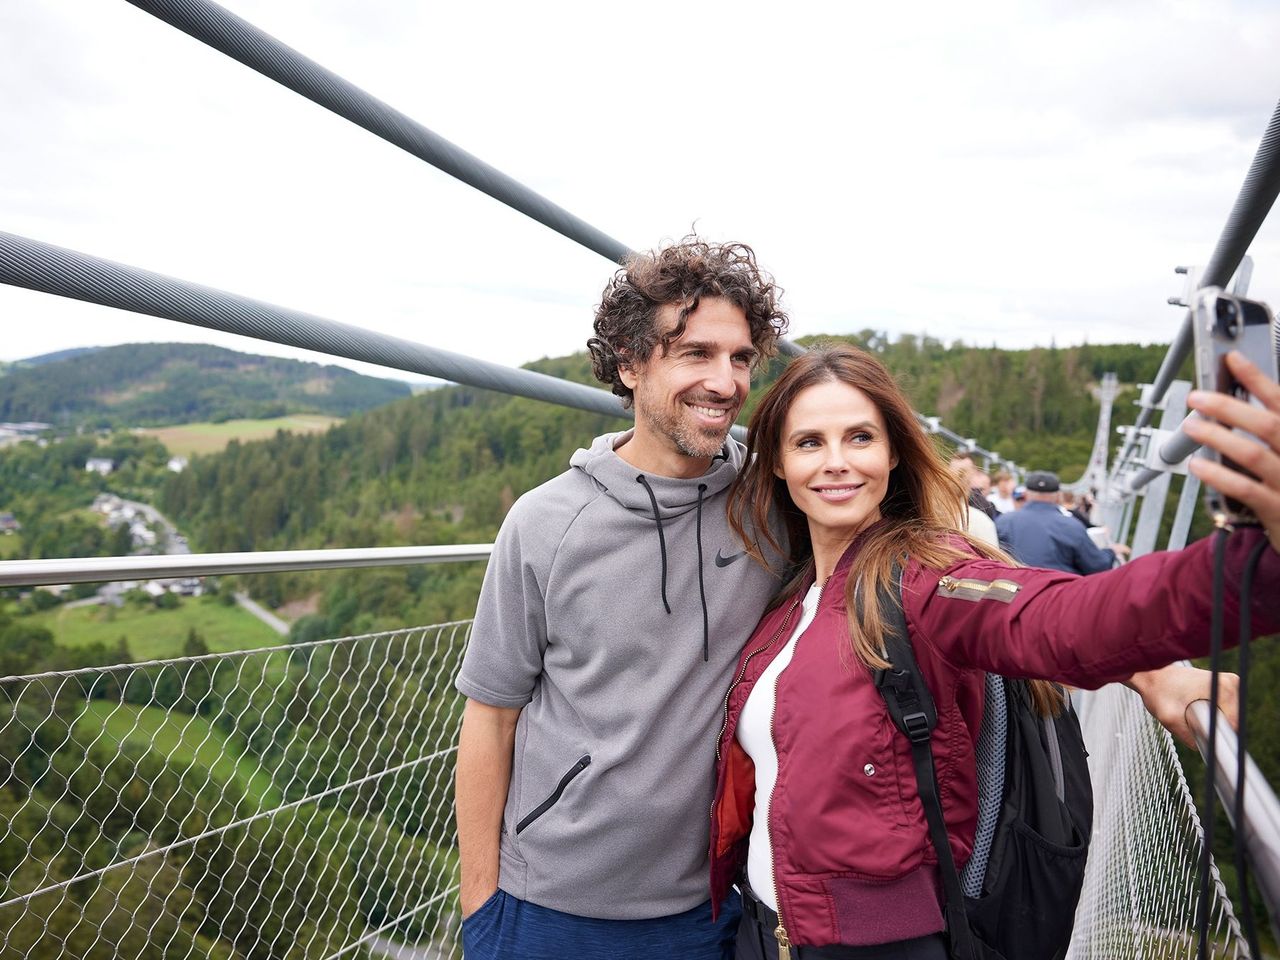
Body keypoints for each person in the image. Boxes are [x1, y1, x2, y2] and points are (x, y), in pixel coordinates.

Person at [713, 344, 1280, 957]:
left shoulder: (925, 581)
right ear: (774, 461)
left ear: (894, 452)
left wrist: (1251, 566)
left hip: (879, 944)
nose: (836, 463)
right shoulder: (785, 599)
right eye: (808, 443)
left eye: (859, 438)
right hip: (762, 930)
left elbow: (1059, 619)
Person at [453, 238, 789, 959]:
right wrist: (480, 909)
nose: (725, 381)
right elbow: (491, 719)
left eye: (740, 359)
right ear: (631, 364)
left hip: (712, 907)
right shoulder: (545, 524)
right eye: (696, 354)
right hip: (546, 908)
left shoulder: (773, 506)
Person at [996, 470, 1130, 574]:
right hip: (1055, 599)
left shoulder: (1003, 522)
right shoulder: (1072, 526)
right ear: (1058, 496)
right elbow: (1097, 566)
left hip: (1012, 597)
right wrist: (1111, 552)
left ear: (1026, 494)